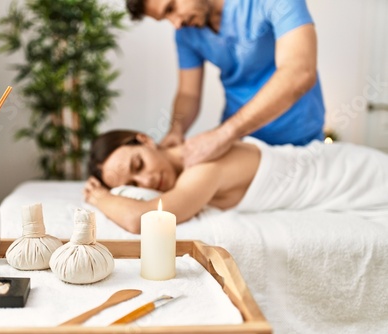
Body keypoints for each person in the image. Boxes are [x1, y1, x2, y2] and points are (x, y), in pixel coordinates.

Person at [125, 0, 326, 167]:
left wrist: (224, 134)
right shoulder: (185, 33)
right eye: (165, 19)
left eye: (171, 8)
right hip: (241, 145)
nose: (175, 23)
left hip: (299, 138)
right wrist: (177, 129)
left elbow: (299, 73)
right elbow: (189, 94)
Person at [84, 130, 388, 234]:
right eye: (134, 185)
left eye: (138, 165)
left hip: (359, 175)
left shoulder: (202, 167)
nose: (148, 179)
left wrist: (99, 198)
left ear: (145, 140)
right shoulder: (191, 162)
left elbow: (145, 220)